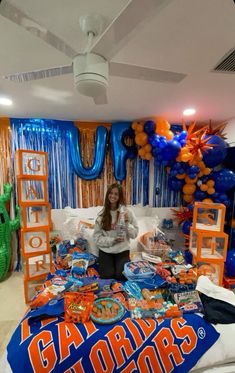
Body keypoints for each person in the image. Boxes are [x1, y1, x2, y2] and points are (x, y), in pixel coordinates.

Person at [93, 183, 139, 280]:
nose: (113, 196)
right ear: (107, 195)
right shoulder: (102, 215)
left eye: (116, 194)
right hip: (106, 250)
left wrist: (126, 223)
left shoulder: (127, 212)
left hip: (122, 250)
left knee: (121, 275)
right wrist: (113, 240)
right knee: (107, 276)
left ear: (120, 196)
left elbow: (134, 234)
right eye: (111, 193)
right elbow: (97, 238)